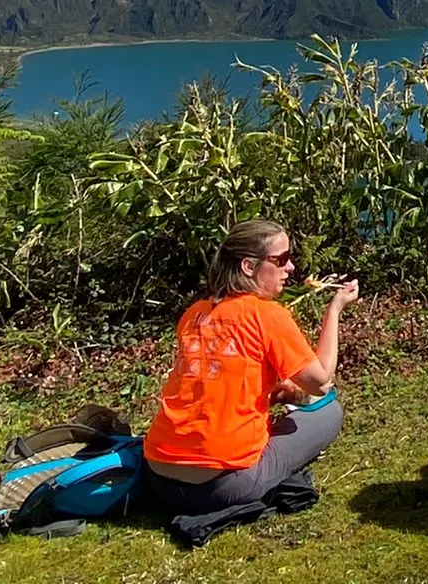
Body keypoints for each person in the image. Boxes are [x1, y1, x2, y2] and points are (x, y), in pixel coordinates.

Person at [143, 219, 359, 517]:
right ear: (248, 266)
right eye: (281, 259)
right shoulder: (266, 314)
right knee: (328, 412)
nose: (291, 267)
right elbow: (320, 381)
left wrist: (273, 392)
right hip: (222, 486)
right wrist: (334, 310)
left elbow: (215, 386)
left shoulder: (194, 313)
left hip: (157, 477)